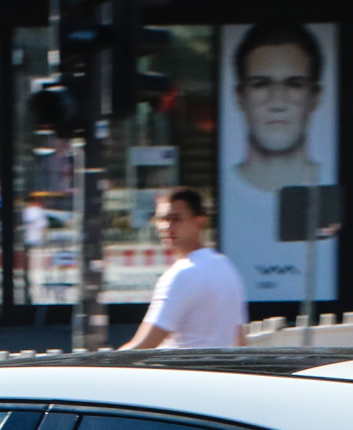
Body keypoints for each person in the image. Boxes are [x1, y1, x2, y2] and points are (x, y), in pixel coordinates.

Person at [120, 188, 247, 351]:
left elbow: (143, 345)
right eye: (162, 219)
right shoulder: (226, 267)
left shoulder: (183, 274)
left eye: (176, 219)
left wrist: (101, 370)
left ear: (199, 221)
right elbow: (240, 342)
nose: (167, 227)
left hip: (180, 373)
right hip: (215, 373)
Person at [229, 23, 327, 196]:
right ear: (239, 96)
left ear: (316, 96)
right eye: (260, 84)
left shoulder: (336, 182)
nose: (277, 103)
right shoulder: (222, 187)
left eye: (295, 84)